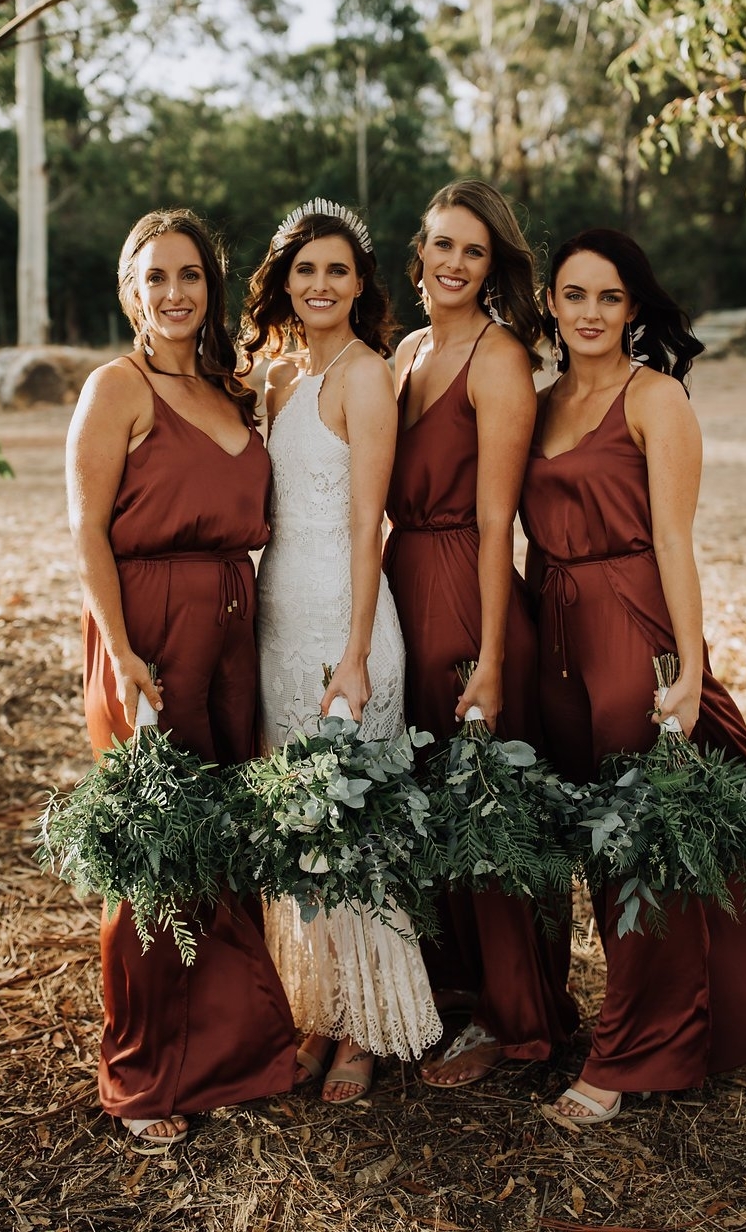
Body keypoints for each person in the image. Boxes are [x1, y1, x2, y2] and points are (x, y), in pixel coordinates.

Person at [520, 227, 746, 1125]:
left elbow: (676, 540)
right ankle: (663, 1022)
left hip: (634, 632)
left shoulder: (657, 400)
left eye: (609, 297)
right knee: (600, 845)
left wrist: (685, 669)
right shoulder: (537, 399)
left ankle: (630, 1057)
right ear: (552, 306)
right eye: (574, 295)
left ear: (634, 307)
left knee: (643, 841)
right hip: (554, 633)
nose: (591, 313)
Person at [65, 208, 298, 1152]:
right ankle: (144, 1068)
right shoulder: (114, 387)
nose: (173, 293)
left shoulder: (233, 392)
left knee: (223, 834)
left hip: (235, 627)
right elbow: (84, 531)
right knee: (155, 846)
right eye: (154, 276)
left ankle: (227, 1051)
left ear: (212, 286)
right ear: (130, 290)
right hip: (150, 627)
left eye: (189, 276)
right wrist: (122, 655)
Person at [243, 199, 443, 1104]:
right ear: (284, 280)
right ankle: (321, 1011)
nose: (319, 285)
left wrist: (358, 654)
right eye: (304, 270)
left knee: (353, 828)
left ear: (362, 286)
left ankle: (373, 1029)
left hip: (345, 625)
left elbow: (370, 527)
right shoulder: (278, 377)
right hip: (279, 622)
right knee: (300, 828)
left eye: (337, 271)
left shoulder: (365, 377)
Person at [383, 179, 579, 1088]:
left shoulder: (498, 359)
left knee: (486, 808)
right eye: (440, 245)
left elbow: (500, 520)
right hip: (402, 589)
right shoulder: (408, 351)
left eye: (473, 250)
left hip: (469, 596)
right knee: (429, 808)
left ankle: (518, 1017)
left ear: (493, 265)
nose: (454, 263)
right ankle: (454, 997)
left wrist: (494, 661)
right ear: (417, 255)